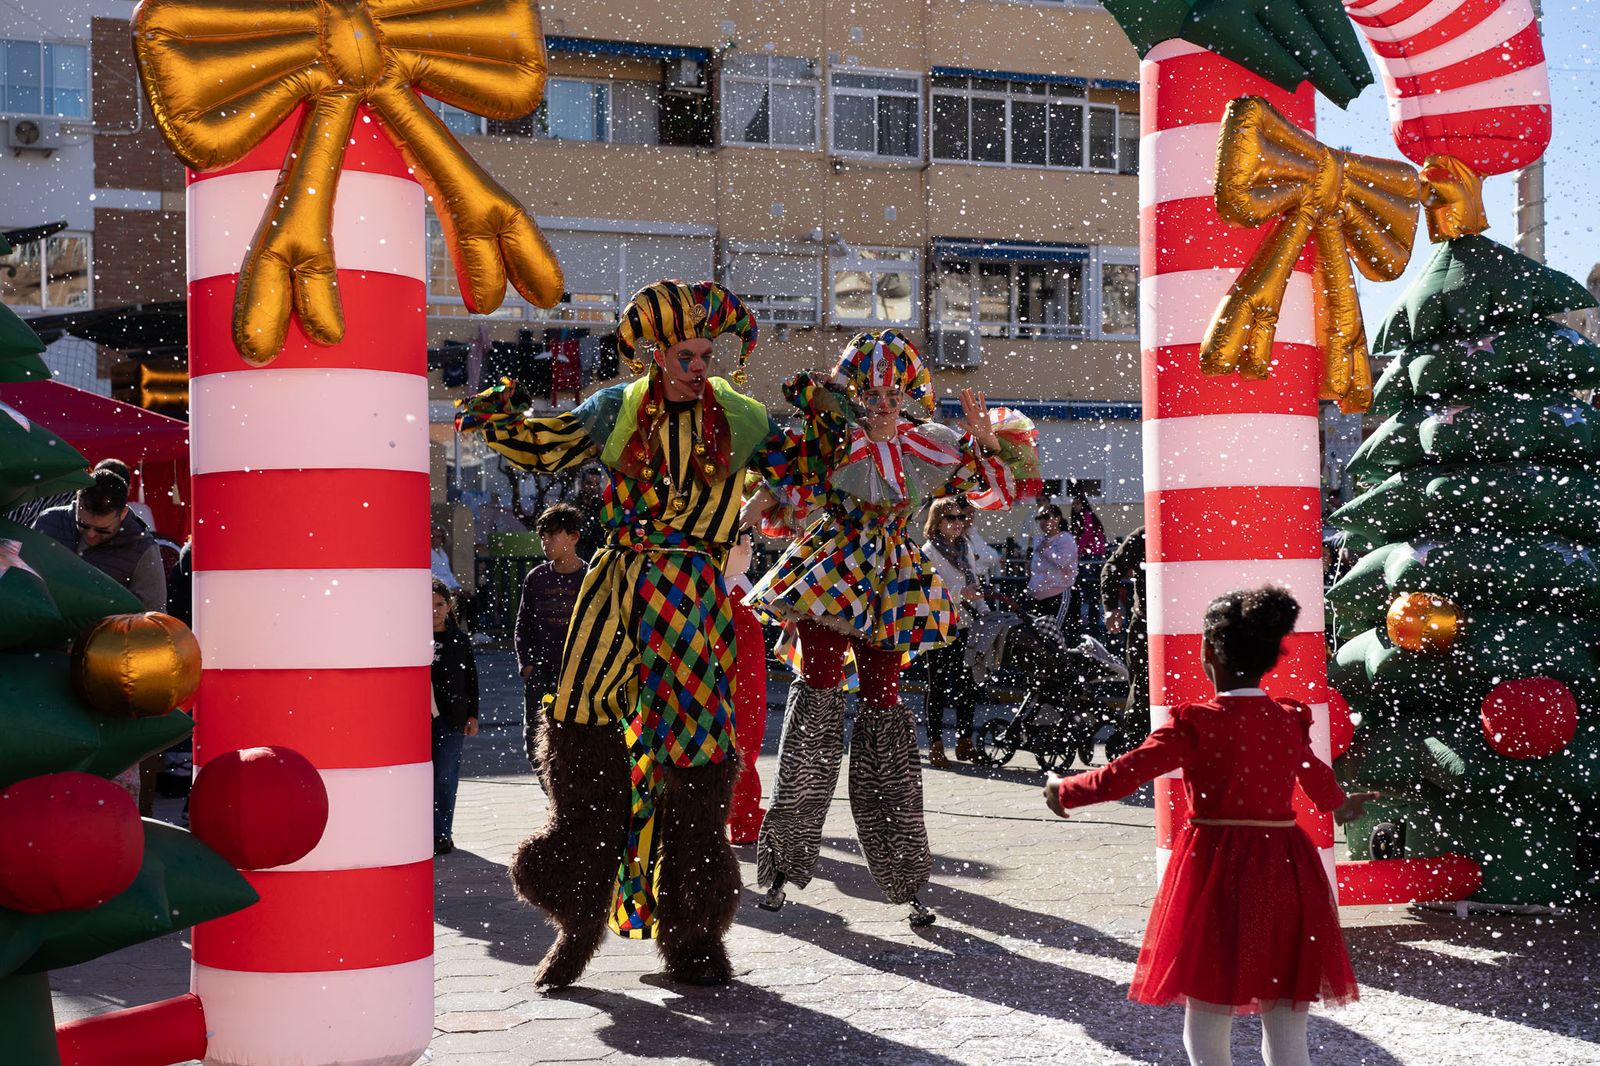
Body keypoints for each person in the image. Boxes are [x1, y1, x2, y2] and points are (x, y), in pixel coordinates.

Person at [456, 279, 791, 988]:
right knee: (578, 725)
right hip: (618, 582)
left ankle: (695, 933)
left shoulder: (740, 417)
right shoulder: (617, 408)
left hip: (692, 593)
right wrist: (501, 420)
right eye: (684, 353)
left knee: (698, 755)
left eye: (707, 352)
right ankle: (578, 908)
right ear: (654, 354)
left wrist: (833, 429)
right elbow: (547, 446)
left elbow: (806, 469)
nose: (698, 365)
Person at [743, 328, 1038, 926]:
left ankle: (904, 873)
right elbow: (778, 483)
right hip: (835, 568)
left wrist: (985, 445)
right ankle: (784, 856)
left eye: (894, 393)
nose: (883, 403)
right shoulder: (833, 443)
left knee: (885, 708)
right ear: (854, 394)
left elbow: (997, 491)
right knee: (819, 699)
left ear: (907, 398)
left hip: (895, 579)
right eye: (872, 391)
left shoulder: (926, 446)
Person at [1042, 586, 1376, 1066]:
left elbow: (1124, 775)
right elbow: (1316, 776)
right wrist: (1340, 804)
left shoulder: (1198, 722)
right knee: (1286, 1012)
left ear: (1209, 654)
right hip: (1286, 864)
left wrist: (1065, 790)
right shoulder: (1285, 718)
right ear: (1268, 658)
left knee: (1209, 999)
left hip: (1216, 865)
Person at [919, 495, 1000, 766]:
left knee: (967, 684)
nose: (958, 523)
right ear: (937, 521)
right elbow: (928, 592)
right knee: (938, 686)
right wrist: (958, 593)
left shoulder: (964, 546)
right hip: (939, 625)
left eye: (961, 517)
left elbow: (973, 582)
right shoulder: (929, 552)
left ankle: (965, 742)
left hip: (966, 624)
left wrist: (986, 612)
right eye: (951, 518)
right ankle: (936, 745)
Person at [513, 503, 588, 774]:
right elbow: (523, 625)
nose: (546, 542)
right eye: (542, 536)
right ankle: (557, 798)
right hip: (541, 673)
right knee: (536, 744)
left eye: (552, 535)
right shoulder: (537, 578)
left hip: (578, 676)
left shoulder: (589, 578)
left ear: (573, 537)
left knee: (577, 743)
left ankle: (571, 802)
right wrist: (527, 665)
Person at [33, 467, 166, 612]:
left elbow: (153, 619)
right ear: (77, 501)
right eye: (82, 524)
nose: (90, 534)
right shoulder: (48, 523)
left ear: (123, 513)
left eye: (102, 529)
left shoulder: (142, 549)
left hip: (108, 632)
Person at [724, 528, 769, 845]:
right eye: (741, 539)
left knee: (745, 744)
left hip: (749, 685)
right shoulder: (727, 593)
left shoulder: (740, 586)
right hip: (738, 687)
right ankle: (743, 816)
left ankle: (743, 815)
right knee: (740, 745)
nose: (749, 546)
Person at [431, 578, 480, 857]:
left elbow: (471, 679)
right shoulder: (409, 639)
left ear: (449, 606)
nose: (434, 611)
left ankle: (441, 833)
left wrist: (473, 714)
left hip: (451, 719)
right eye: (427, 606)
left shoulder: (459, 641)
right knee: (421, 778)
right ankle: (424, 830)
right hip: (416, 719)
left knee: (445, 776)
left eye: (439, 604)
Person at [1100, 525, 1148, 760]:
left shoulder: (1190, 531)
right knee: (1142, 688)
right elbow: (1111, 568)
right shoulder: (1145, 535)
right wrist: (1111, 608)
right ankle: (1134, 743)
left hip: (1179, 626)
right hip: (1146, 626)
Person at [1027, 501, 1078, 631]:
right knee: (1037, 636)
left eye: (1046, 517)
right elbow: (1035, 568)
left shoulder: (1065, 539)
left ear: (1057, 519)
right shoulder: (1039, 539)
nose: (1042, 522)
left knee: (1054, 635)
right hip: (1037, 596)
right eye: (1039, 518)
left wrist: (1046, 551)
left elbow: (1064, 563)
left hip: (1057, 594)